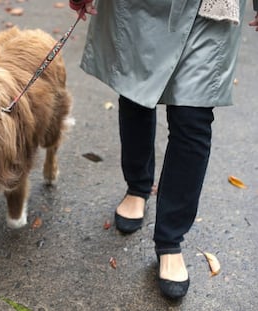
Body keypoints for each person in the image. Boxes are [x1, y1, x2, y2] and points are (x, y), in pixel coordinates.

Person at [69, 0, 258, 299]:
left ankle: (170, 239)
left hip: (212, 8)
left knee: (193, 117)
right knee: (135, 91)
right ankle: (138, 186)